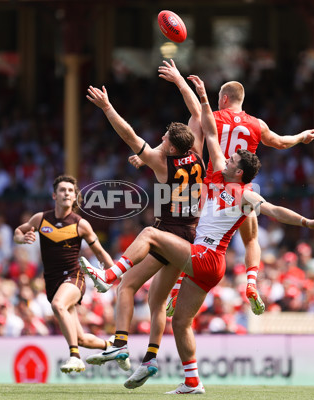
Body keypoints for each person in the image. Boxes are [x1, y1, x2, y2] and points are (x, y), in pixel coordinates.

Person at [81, 75, 314, 394]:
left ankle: (110, 275)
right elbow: (211, 131)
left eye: (233, 160)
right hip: (208, 264)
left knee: (148, 233)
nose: (227, 157)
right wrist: (202, 97)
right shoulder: (216, 172)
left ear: (239, 171)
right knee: (181, 322)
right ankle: (192, 381)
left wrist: (307, 222)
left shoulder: (245, 194)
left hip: (205, 257)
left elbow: (272, 209)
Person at [132, 60, 314, 316]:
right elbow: (281, 142)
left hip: (212, 185)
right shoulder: (257, 124)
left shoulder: (215, 117)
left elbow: (183, 137)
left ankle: (176, 288)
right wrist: (301, 137)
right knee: (251, 238)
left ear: (224, 99)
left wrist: (147, 155)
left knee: (193, 238)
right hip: (243, 191)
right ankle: (252, 283)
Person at [85, 82, 205, 388]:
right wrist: (181, 81)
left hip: (168, 234)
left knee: (126, 286)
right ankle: (150, 360)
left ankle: (120, 341)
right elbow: (195, 112)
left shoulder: (162, 161)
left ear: (173, 148)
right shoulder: (198, 155)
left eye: (164, 139)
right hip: (189, 236)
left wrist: (106, 107)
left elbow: (128, 135)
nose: (160, 140)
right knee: (156, 301)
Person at [14, 175, 116, 374]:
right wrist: (22, 237)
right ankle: (112, 347)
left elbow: (101, 253)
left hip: (73, 278)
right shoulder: (40, 219)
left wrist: (116, 274)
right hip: (52, 283)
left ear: (75, 197)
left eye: (70, 190)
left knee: (58, 305)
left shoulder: (81, 224)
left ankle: (75, 357)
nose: (66, 193)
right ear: (54, 195)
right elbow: (18, 231)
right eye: (62, 190)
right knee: (81, 338)